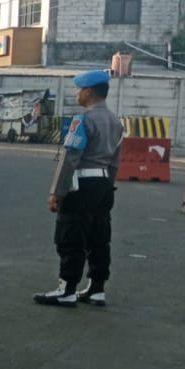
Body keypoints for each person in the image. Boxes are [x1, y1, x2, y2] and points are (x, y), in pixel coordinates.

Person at [33, 69, 124, 307]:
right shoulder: (116, 122)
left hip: (82, 185)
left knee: (71, 236)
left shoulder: (83, 120)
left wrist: (57, 192)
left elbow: (70, 159)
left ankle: (67, 289)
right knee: (99, 237)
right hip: (104, 184)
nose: (77, 94)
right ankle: (96, 288)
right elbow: (115, 161)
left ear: (89, 92)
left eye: (79, 89)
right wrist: (107, 186)